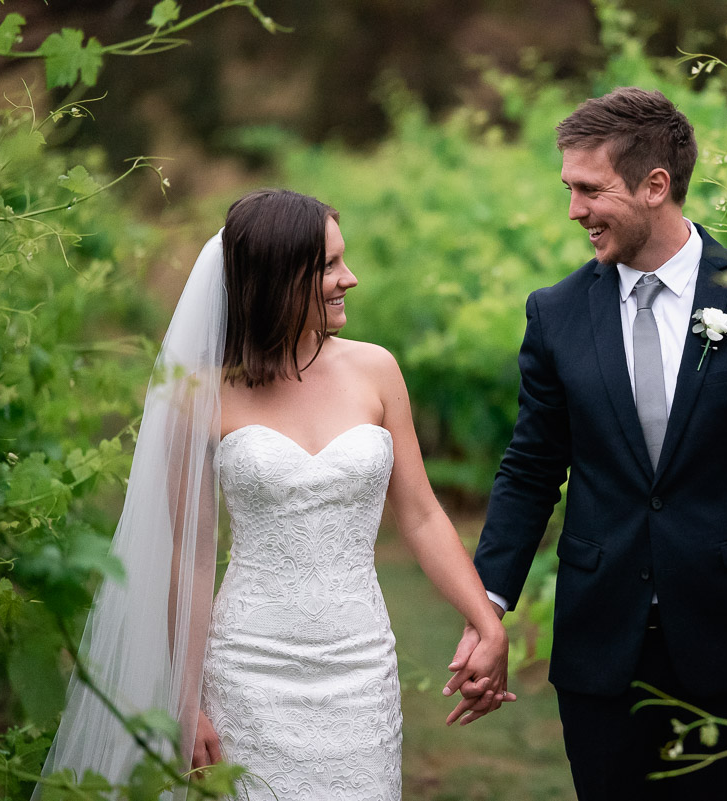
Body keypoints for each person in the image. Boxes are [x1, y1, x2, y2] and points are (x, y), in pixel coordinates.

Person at [446, 88, 727, 800]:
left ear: (655, 186)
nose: (574, 210)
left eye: (590, 189)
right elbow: (530, 469)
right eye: (569, 189)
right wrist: (488, 606)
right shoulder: (554, 314)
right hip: (600, 651)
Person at [37, 189, 510, 801]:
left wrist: (484, 622)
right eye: (330, 267)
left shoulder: (376, 370)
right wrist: (185, 704)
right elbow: (189, 559)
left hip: (360, 663)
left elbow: (420, 514)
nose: (351, 279)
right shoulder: (200, 395)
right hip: (246, 666)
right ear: (276, 279)